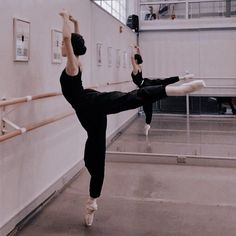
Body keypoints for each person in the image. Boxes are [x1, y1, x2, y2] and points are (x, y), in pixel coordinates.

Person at [59, 9, 205, 227]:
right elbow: (74, 42)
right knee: (94, 159)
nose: (61, 47)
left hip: (90, 105)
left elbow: (68, 39)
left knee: (130, 98)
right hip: (90, 110)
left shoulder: (72, 66)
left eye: (63, 46)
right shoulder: (77, 62)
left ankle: (174, 90)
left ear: (70, 49)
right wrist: (76, 21)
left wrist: (64, 19)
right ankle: (92, 203)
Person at [131, 45, 194, 135]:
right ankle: (183, 77)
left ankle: (147, 124)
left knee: (148, 107)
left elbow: (132, 59)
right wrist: (138, 49)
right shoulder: (140, 67)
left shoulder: (135, 69)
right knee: (164, 81)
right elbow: (137, 59)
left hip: (144, 87)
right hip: (148, 81)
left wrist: (132, 50)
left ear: (135, 60)